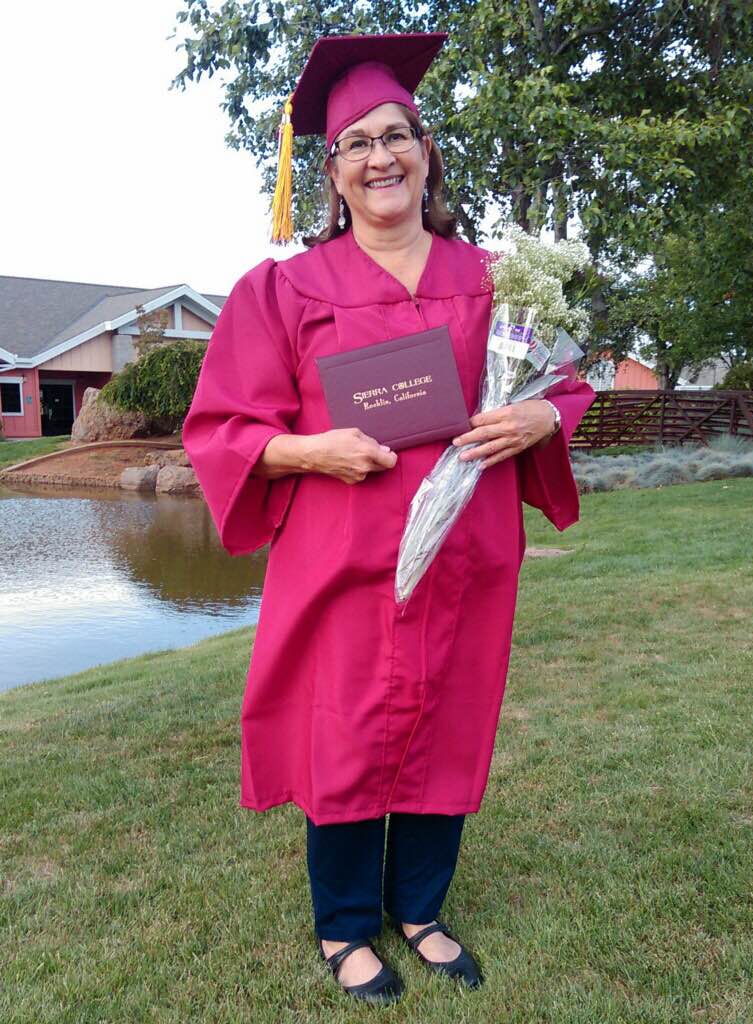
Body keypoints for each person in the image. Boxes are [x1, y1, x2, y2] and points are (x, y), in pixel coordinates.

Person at [182, 32, 595, 1006]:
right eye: (356, 143)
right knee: (346, 733)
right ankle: (344, 926)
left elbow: (561, 382)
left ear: (426, 149)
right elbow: (223, 426)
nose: (380, 156)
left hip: (467, 554)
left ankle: (420, 908)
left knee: (447, 725)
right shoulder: (282, 290)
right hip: (343, 562)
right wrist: (307, 449)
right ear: (329, 172)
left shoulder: (495, 277)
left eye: (396, 135)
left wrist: (539, 412)